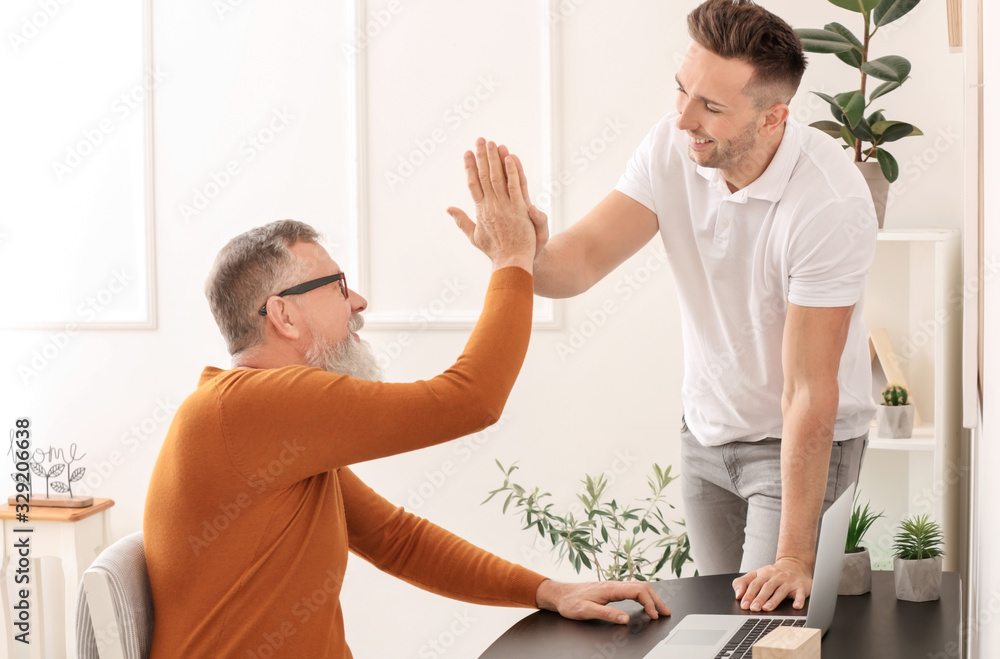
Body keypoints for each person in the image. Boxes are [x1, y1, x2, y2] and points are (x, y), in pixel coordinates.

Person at [143, 143, 669, 658]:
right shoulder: (248, 409)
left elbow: (397, 540)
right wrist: (511, 256)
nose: (358, 302)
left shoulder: (263, 426)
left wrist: (548, 591)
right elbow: (471, 400)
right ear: (283, 315)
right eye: (337, 286)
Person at [449, 0, 877, 616]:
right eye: (683, 91)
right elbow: (585, 258)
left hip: (796, 445)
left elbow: (809, 389)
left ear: (772, 118)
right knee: (714, 626)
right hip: (705, 436)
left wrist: (794, 558)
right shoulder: (672, 147)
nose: (684, 119)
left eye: (712, 107)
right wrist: (517, 253)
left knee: (766, 629)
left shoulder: (828, 202)